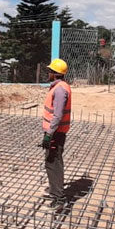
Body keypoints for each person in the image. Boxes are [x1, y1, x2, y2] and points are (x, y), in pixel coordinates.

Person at [40, 58, 72, 208]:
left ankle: (59, 198)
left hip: (55, 133)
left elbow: (57, 115)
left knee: (53, 163)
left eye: (50, 71)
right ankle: (55, 191)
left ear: (55, 73)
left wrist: (49, 134)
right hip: (56, 132)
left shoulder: (59, 90)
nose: (48, 73)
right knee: (52, 162)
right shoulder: (60, 86)